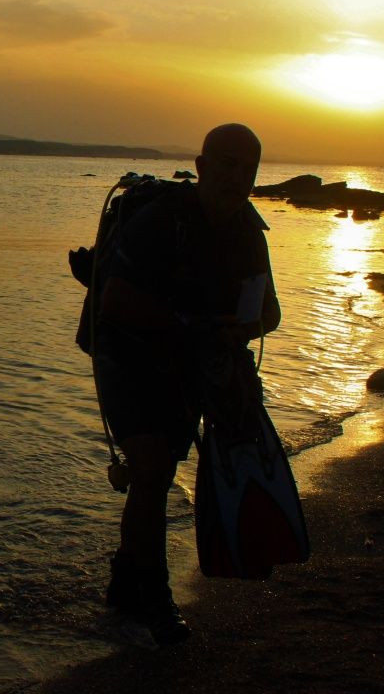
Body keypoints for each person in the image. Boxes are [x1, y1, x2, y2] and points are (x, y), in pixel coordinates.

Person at [92, 123, 281, 644]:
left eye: (246, 168)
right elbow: (114, 302)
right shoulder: (161, 221)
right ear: (201, 167)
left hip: (190, 361)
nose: (234, 176)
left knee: (161, 467)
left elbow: (271, 313)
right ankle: (155, 600)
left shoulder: (248, 231)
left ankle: (126, 583)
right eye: (225, 164)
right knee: (152, 466)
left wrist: (242, 327)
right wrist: (194, 324)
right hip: (125, 353)